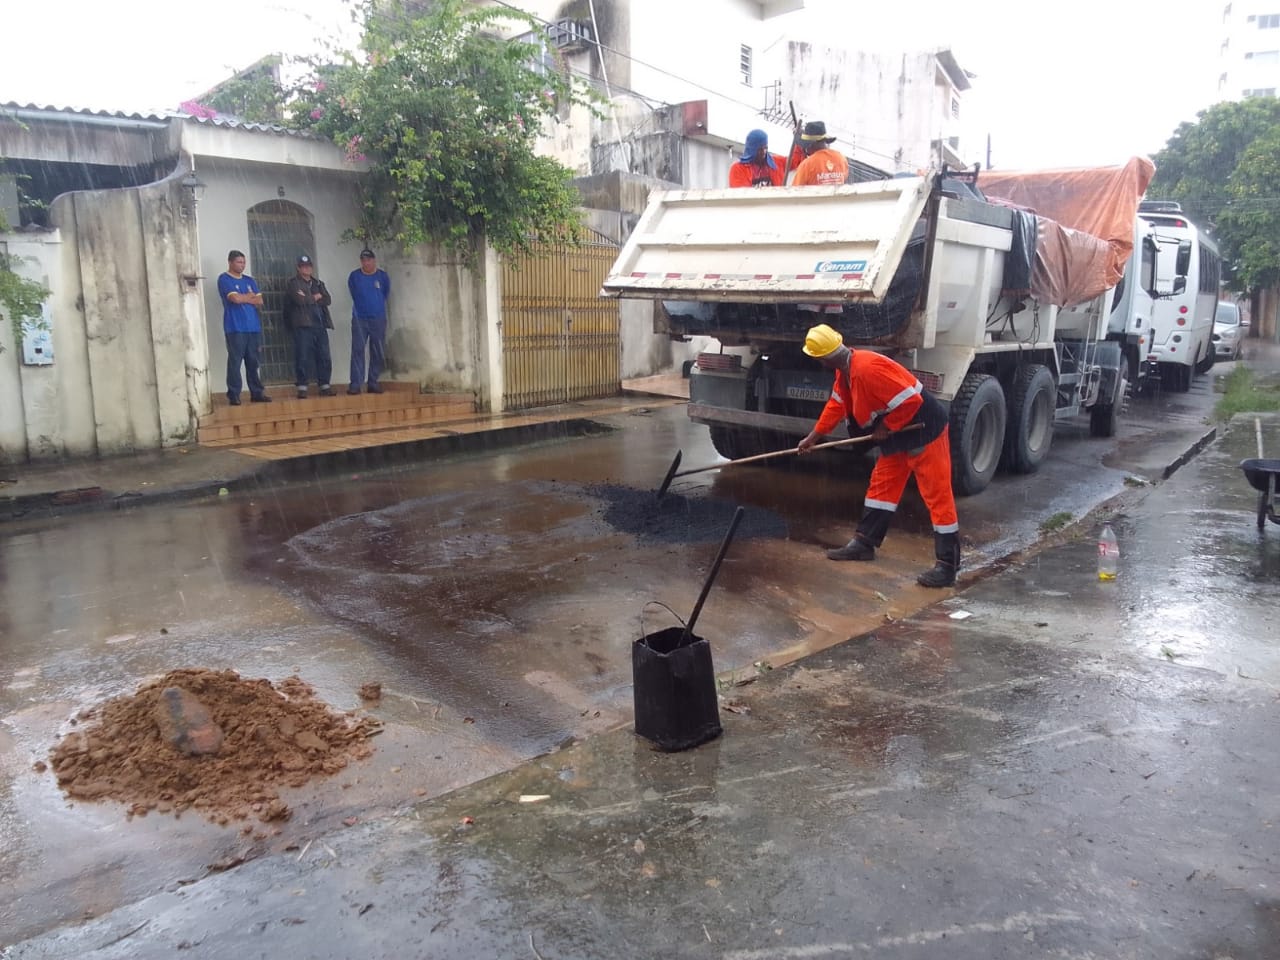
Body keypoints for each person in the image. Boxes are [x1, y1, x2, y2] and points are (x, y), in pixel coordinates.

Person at [797, 323, 960, 588]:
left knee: (937, 495)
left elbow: (911, 401)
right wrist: (814, 437)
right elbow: (836, 405)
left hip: (923, 429)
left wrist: (886, 426)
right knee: (881, 489)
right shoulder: (845, 372)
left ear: (822, 358)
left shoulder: (867, 369)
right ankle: (864, 543)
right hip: (898, 432)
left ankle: (947, 565)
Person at [217, 249, 270, 406]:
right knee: (235, 361)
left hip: (253, 327)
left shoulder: (249, 280)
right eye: (239, 262)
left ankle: (257, 392)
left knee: (253, 361)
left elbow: (259, 301)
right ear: (230, 262)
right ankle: (234, 394)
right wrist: (248, 297)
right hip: (235, 327)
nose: (242, 265)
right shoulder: (224, 279)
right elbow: (235, 299)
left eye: (244, 262)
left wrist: (245, 298)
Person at [283, 254, 335, 399]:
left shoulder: (318, 283)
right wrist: (315, 297)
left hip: (320, 325)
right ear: (298, 268)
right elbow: (300, 301)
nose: (306, 269)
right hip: (303, 325)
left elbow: (327, 299)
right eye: (303, 266)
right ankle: (302, 387)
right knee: (303, 356)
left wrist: (311, 298)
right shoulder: (294, 283)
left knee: (324, 356)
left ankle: (325, 385)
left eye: (308, 266)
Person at [347, 247, 391, 395]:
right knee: (358, 350)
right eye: (363, 260)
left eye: (369, 260)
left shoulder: (382, 276)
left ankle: (373, 382)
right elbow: (354, 293)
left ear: (374, 260)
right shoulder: (354, 276)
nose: (366, 263)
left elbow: (385, 293)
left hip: (378, 318)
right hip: (360, 318)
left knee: (377, 350)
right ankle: (356, 383)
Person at [728, 128, 803, 188]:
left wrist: (799, 143)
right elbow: (742, 197)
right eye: (760, 149)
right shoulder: (738, 169)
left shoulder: (776, 163)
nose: (764, 152)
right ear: (751, 149)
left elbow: (794, 161)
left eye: (765, 148)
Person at [792, 121, 849, 187]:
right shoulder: (841, 159)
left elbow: (796, 192)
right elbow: (844, 178)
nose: (806, 149)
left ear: (811, 144)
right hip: (836, 197)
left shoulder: (806, 165)